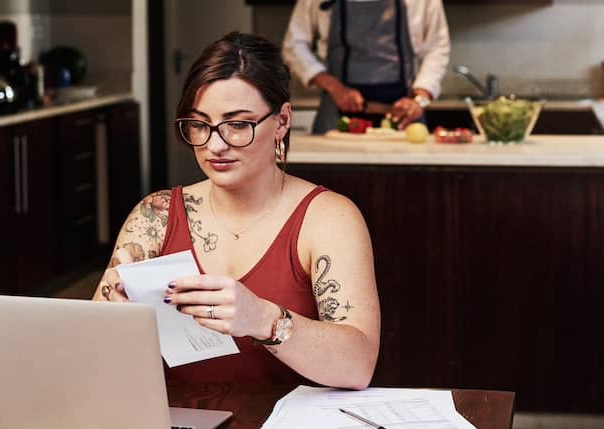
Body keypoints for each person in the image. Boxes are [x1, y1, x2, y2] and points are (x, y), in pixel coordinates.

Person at [94, 32, 380, 390]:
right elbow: (99, 365)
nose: (215, 145)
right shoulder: (156, 215)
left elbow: (358, 366)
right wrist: (111, 321)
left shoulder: (329, 219)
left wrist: (263, 318)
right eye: (199, 125)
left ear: (282, 121)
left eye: (238, 125)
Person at [282, 0, 450, 133]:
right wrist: (333, 86)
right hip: (335, 117)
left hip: (404, 119)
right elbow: (294, 45)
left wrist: (419, 98)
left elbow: (437, 47)